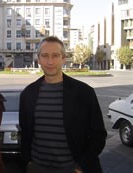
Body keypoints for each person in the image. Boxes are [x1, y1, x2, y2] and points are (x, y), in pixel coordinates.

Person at [19, 36, 107, 173]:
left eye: (55, 56)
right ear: (39, 59)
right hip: (37, 168)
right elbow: (25, 134)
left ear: (63, 58)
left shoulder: (84, 93)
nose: (50, 61)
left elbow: (98, 135)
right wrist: (28, 162)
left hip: (72, 169)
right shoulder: (27, 94)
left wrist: (81, 165)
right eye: (45, 56)